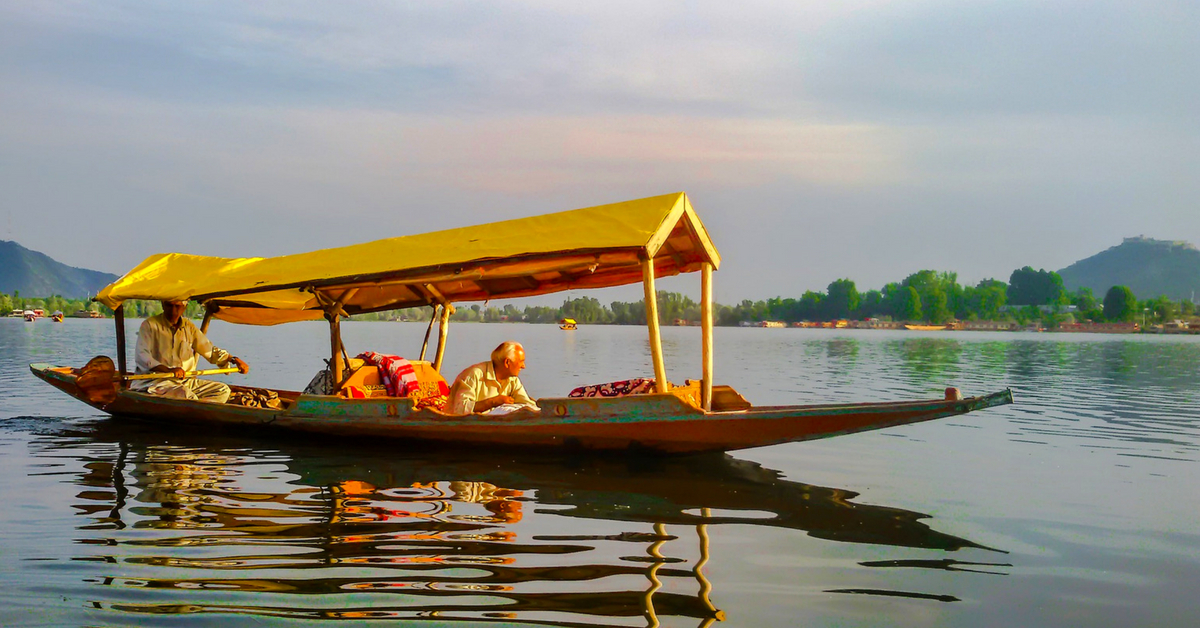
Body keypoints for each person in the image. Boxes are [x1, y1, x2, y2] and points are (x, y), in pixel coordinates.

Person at [132, 299, 249, 403]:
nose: (173, 311)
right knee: (185, 395)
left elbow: (210, 351)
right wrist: (168, 370)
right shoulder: (150, 325)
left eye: (177, 306)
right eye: (169, 305)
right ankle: (197, 409)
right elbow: (142, 356)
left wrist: (233, 359)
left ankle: (199, 410)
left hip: (185, 381)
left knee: (223, 390)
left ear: (184, 307)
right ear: (163, 305)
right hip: (157, 382)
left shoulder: (189, 327)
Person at [447, 341, 537, 414]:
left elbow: (526, 403)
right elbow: (459, 409)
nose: (523, 366)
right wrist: (493, 402)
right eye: (521, 361)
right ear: (507, 362)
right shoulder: (474, 375)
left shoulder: (513, 380)